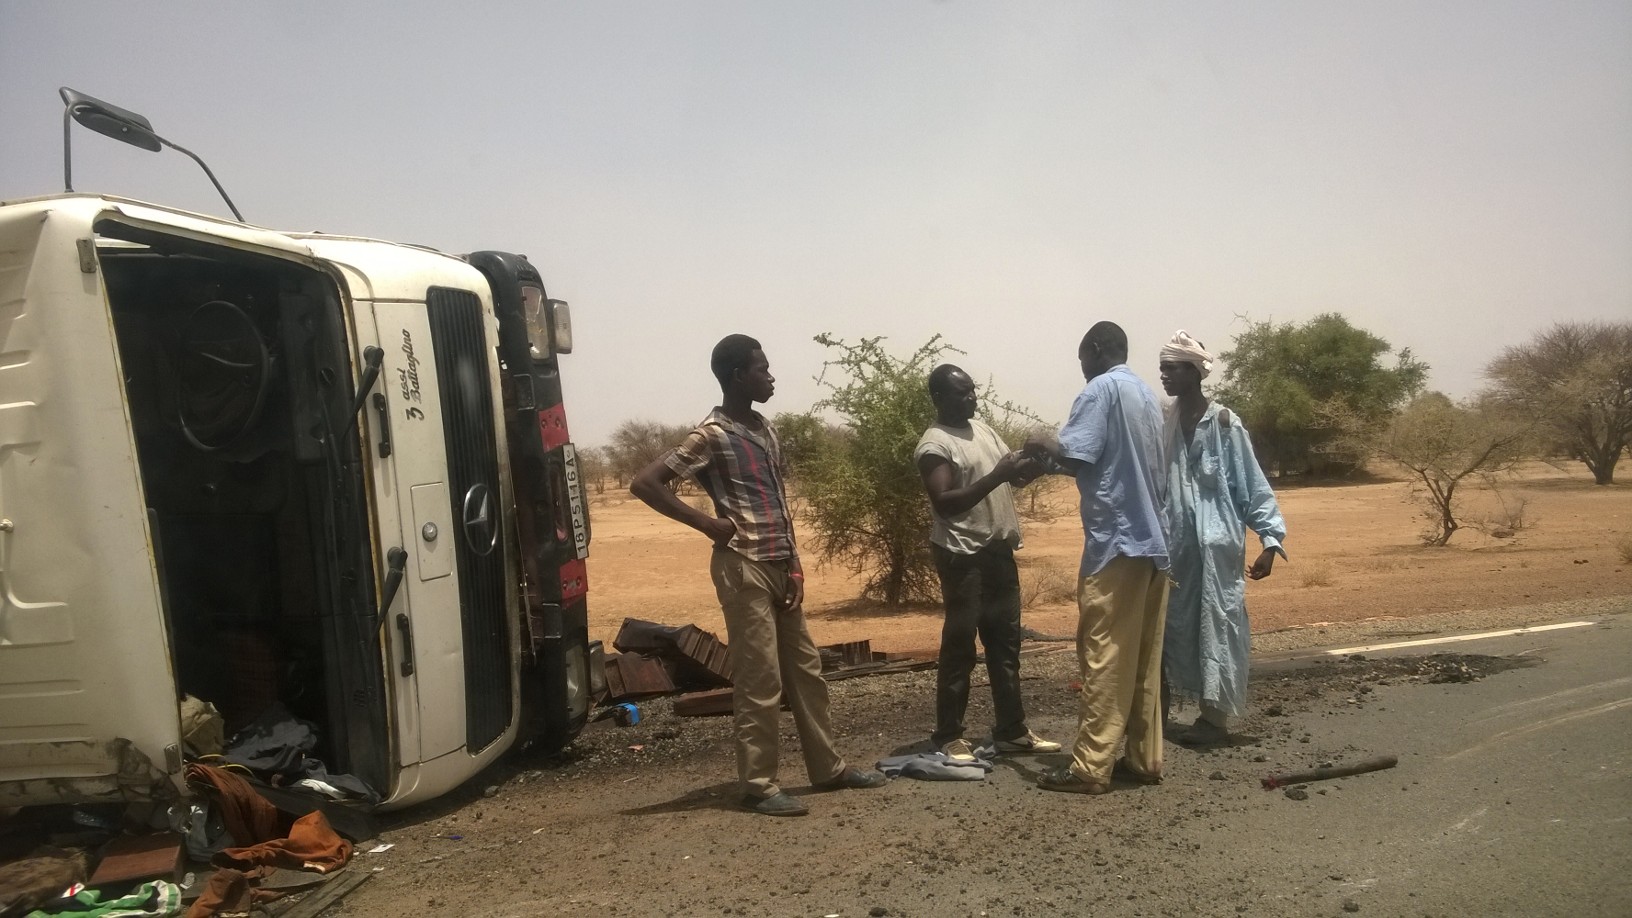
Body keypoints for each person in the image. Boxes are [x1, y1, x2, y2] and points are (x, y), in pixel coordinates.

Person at [630, 334, 886, 817]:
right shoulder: (710, 435)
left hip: (779, 566)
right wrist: (707, 524)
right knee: (760, 679)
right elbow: (645, 483)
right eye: (761, 369)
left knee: (807, 673)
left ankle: (829, 770)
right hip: (742, 565)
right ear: (737, 376)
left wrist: (795, 567)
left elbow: (778, 505)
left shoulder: (765, 429)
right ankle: (759, 786)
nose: (770, 377)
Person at [1025, 322, 1169, 794]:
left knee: (1104, 653)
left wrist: (1039, 442)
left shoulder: (1100, 390)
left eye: (1083, 357)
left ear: (1096, 348)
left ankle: (1090, 766)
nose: (1083, 367)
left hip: (1118, 542)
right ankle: (1144, 758)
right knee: (1142, 658)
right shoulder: (1146, 396)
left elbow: (1075, 455)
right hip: (1154, 543)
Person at [914, 364, 1060, 762]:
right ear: (939, 398)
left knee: (1005, 645)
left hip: (997, 551)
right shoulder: (935, 444)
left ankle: (1012, 731)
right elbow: (945, 504)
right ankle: (948, 736)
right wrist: (998, 475)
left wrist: (1034, 463)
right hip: (962, 556)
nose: (972, 398)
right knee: (960, 647)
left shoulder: (982, 430)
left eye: (973, 390)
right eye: (962, 393)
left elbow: (1013, 477)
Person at [1157, 330, 1287, 745]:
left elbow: (1253, 486)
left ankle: (1214, 719)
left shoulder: (1226, 424)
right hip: (1175, 551)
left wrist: (1270, 541)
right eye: (1161, 368)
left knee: (1220, 624)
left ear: (1195, 372)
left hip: (1218, 552)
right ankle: (1158, 716)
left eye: (1172, 368)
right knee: (1173, 627)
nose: (1164, 375)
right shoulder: (1165, 423)